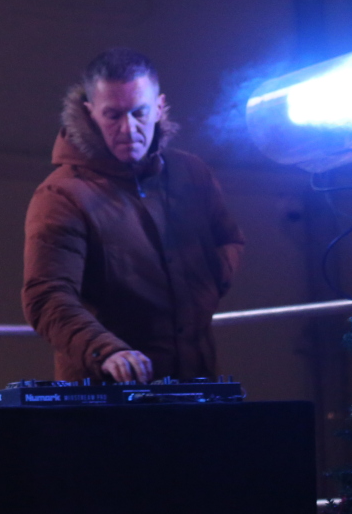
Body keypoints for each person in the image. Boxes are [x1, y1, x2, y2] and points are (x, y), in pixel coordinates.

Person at [22, 48, 244, 384]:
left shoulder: (191, 172)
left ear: (159, 107)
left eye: (139, 112)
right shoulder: (62, 195)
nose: (128, 129)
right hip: (106, 396)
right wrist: (105, 351)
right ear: (90, 113)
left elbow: (228, 239)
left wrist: (201, 292)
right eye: (113, 115)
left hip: (196, 382)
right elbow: (47, 296)